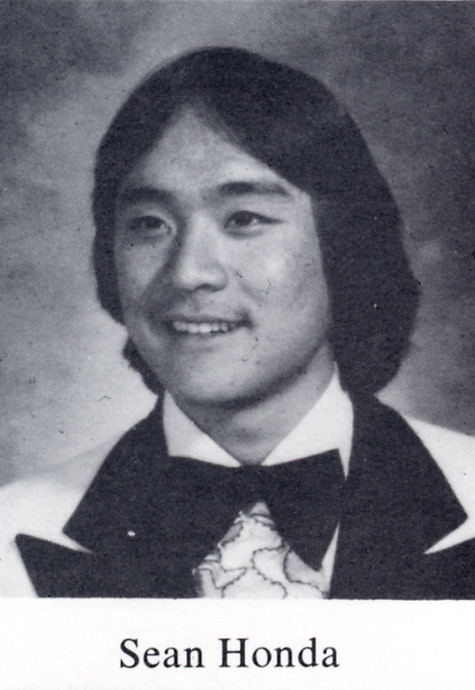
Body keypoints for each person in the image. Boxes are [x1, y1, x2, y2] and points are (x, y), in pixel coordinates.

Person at [2, 47, 475, 598]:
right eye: (150, 224)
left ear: (346, 248)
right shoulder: (12, 535)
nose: (188, 273)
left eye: (244, 219)